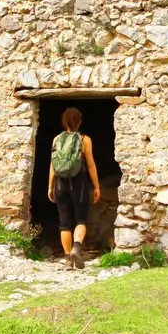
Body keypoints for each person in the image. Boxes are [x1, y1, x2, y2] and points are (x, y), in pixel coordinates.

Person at [47, 107, 101, 269]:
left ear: (64, 122)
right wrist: (97, 186)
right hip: (80, 183)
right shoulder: (85, 140)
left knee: (64, 222)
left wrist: (50, 186)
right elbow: (90, 165)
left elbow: (53, 165)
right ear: (79, 121)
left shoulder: (56, 139)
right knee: (81, 218)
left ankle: (68, 261)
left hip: (60, 183)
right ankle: (76, 248)